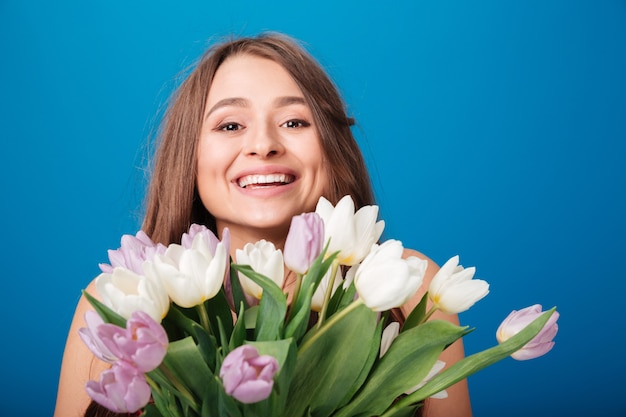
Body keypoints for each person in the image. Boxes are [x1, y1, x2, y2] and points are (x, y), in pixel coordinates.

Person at [54, 33, 472, 417]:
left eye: (294, 122)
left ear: (332, 147)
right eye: (231, 125)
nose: (264, 145)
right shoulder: (116, 302)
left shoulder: (412, 288)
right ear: (190, 158)